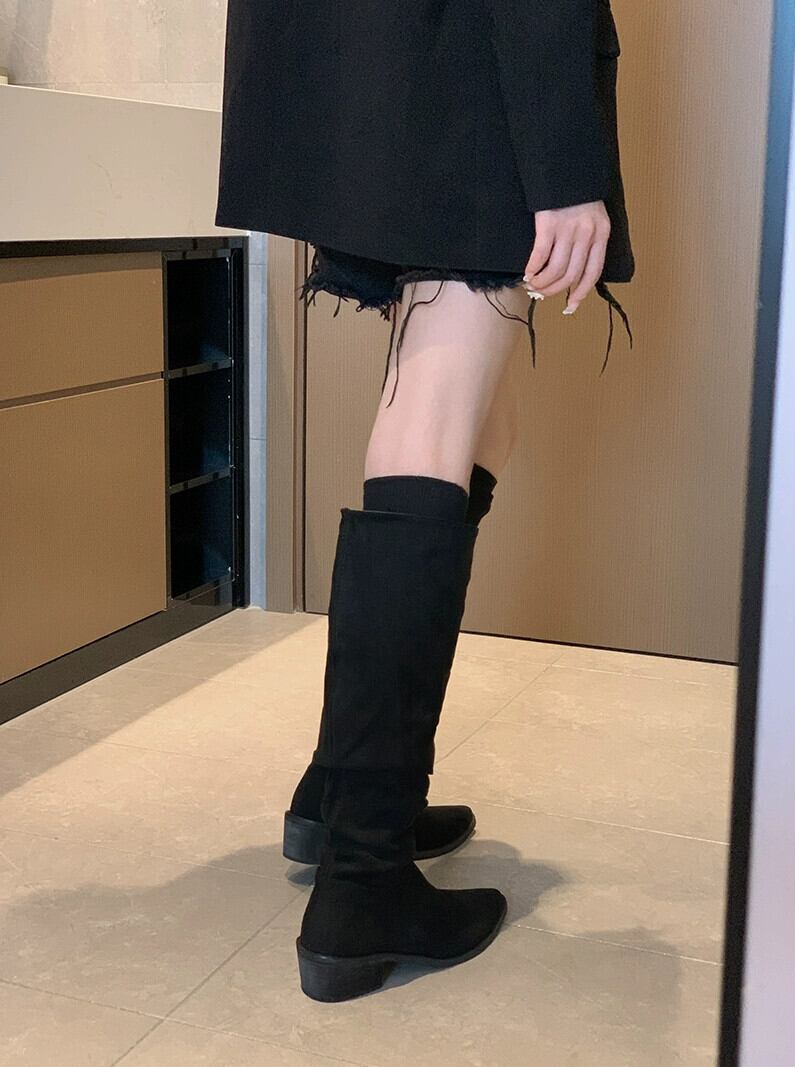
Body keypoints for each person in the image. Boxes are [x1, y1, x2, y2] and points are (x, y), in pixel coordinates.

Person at [215, 0, 635, 1002]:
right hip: (466, 72)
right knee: (438, 417)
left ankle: (342, 790)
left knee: (480, 419)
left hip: (381, 67)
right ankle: (362, 881)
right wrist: (564, 163)